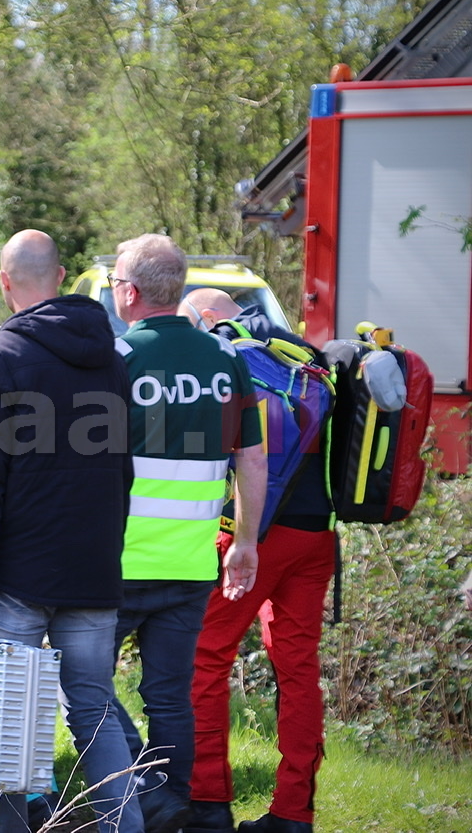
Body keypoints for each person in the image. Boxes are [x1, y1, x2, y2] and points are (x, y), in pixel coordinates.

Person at [0, 229, 143, 833]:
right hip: (91, 566)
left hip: (18, 571)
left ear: (5, 283)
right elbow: (122, 468)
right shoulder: (111, 357)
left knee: (8, 714)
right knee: (94, 708)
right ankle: (126, 825)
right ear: (60, 276)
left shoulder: (1, 355)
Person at [108, 235, 266, 833]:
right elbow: (251, 460)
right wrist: (245, 542)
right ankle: (170, 799)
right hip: (194, 562)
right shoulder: (225, 360)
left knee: (84, 682)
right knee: (170, 696)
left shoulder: (118, 358)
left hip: (119, 563)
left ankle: (143, 788)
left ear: (130, 291)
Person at [180, 288, 334, 833]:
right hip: (318, 537)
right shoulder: (304, 357)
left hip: (254, 534)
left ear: (207, 318)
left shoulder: (230, 357)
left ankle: (208, 802)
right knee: (298, 674)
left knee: (205, 658)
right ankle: (293, 813)